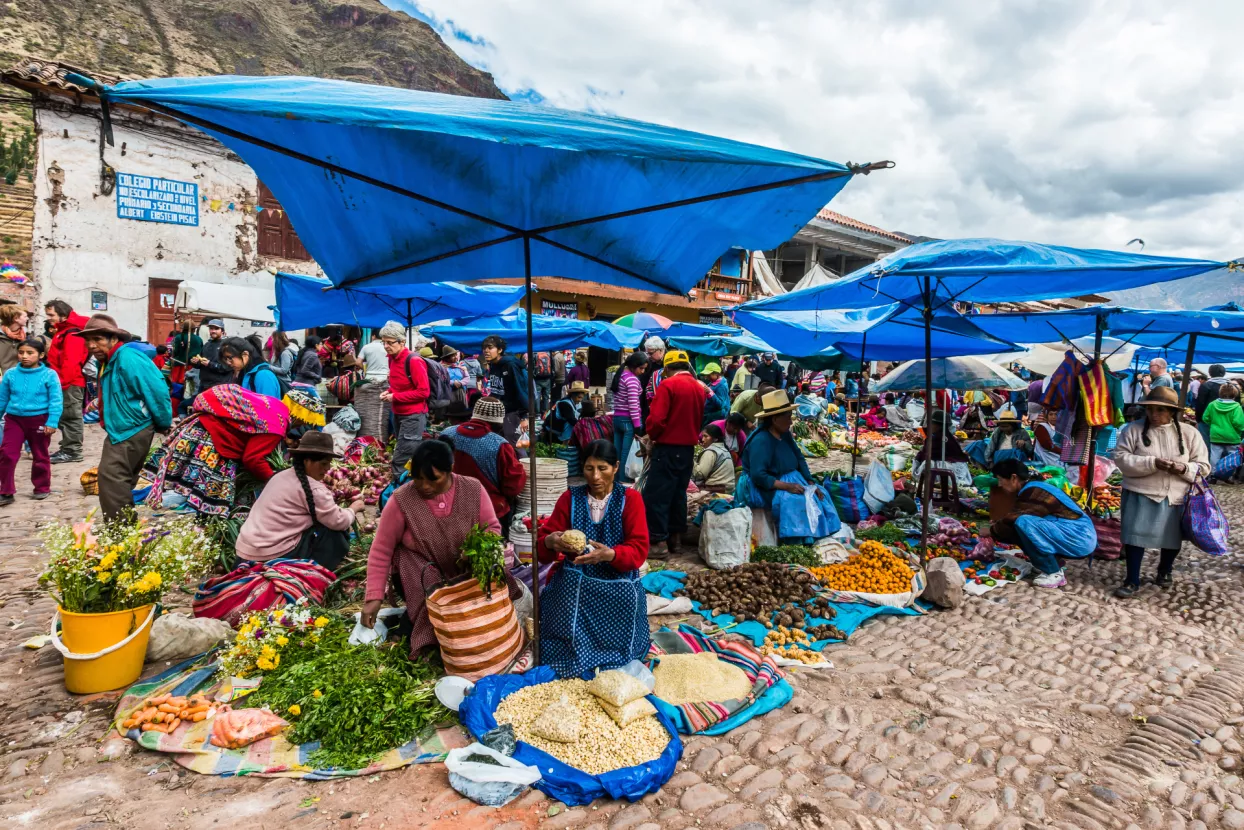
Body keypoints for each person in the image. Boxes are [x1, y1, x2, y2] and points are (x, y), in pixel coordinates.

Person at [360, 438, 523, 658]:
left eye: (433, 479)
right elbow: (381, 550)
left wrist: (477, 551)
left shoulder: (473, 489)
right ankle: (427, 638)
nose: (424, 486)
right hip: (422, 573)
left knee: (484, 594)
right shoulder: (402, 500)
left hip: (464, 569)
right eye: (418, 479)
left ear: (450, 470)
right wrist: (374, 598)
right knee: (421, 576)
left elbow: (492, 528)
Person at [537, 439, 650, 678]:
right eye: (589, 469)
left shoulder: (630, 500)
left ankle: (615, 659)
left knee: (626, 603)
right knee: (558, 604)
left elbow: (639, 549)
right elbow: (545, 541)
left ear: (616, 467)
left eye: (603, 468)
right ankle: (570, 654)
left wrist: (611, 554)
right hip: (576, 579)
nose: (595, 476)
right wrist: (551, 541)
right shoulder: (571, 498)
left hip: (617, 580)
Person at [1113, 386, 1210, 598]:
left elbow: (1203, 466)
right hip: (1141, 492)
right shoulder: (1132, 430)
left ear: (1172, 412)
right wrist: (1152, 462)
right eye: (1150, 410)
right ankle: (1132, 580)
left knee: (1172, 538)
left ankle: (1165, 570)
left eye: (1160, 410)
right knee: (1134, 537)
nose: (1154, 415)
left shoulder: (1189, 433)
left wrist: (1183, 468)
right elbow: (1121, 458)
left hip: (1176, 494)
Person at [77, 315, 172, 520]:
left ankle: (120, 535)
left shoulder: (128, 357)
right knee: (121, 481)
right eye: (88, 341)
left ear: (113, 339)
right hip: (123, 428)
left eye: (98, 339)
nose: (92, 345)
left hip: (131, 427)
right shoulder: (110, 359)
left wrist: (164, 422)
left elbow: (156, 389)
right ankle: (126, 536)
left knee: (111, 478)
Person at [145, 384, 290, 514]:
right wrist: (274, 480)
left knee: (193, 493)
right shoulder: (277, 427)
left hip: (200, 427)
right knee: (208, 499)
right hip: (212, 438)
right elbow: (252, 459)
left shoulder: (277, 408)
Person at [235, 431, 363, 569]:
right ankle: (313, 571)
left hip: (244, 553)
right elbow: (339, 521)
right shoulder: (314, 490)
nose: (327, 469)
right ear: (307, 461)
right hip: (268, 556)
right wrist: (354, 508)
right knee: (335, 533)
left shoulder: (280, 476)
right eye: (324, 463)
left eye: (329, 464)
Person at [985, 458, 1096, 589]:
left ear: (1013, 478)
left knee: (1022, 522)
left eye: (1001, 480)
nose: (999, 485)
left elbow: (1015, 519)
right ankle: (1054, 564)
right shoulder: (1032, 488)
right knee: (1019, 524)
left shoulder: (1035, 492)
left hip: (1079, 538)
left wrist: (991, 531)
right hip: (1074, 533)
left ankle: (1052, 572)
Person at [642, 350, 704, 557]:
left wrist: (652, 435)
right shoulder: (699, 387)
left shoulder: (668, 385)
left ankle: (658, 541)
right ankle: (675, 539)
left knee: (657, 495)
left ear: (667, 369)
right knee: (678, 493)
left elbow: (657, 420)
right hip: (687, 449)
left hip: (668, 448)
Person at [440, 396, 527, 537]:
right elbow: (512, 485)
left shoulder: (446, 434)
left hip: (447, 507)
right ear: (498, 423)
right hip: (489, 512)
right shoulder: (499, 444)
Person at [0, 338, 61, 504]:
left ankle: (42, 487)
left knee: (40, 454)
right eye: (21, 353)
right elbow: (2, 399)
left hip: (39, 419)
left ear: (41, 355)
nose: (24, 356)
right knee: (7, 454)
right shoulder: (10, 374)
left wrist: (52, 422)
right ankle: (6, 490)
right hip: (14, 420)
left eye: (30, 353)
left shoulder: (49, 375)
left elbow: (56, 400)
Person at [740, 390, 814, 511]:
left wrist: (810, 482)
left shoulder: (784, 434)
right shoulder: (761, 440)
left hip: (787, 481)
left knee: (820, 497)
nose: (791, 422)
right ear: (775, 419)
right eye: (788, 418)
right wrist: (787, 486)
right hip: (764, 488)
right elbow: (758, 475)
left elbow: (798, 456)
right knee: (798, 504)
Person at [379, 321, 430, 476]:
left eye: (390, 342)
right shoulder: (391, 359)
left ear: (402, 342)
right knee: (405, 451)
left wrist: (395, 397)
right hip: (398, 413)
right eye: (384, 342)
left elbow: (423, 392)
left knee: (401, 458)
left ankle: (400, 494)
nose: (386, 346)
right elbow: (398, 385)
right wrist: (388, 392)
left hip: (413, 416)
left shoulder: (414, 361)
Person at [44, 300, 88, 464]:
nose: (49, 318)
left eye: (51, 315)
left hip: (69, 382)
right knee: (66, 416)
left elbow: (71, 361)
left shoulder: (71, 334)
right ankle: (68, 449)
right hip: (66, 381)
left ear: (63, 314)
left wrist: (61, 384)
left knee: (70, 417)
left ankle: (72, 451)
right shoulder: (65, 331)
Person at [481, 335, 529, 442]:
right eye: (484, 348)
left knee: (514, 444)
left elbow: (521, 390)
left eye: (490, 347)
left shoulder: (511, 365)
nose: (486, 351)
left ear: (500, 350)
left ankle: (520, 460)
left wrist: (524, 417)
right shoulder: (493, 365)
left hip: (512, 413)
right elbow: (494, 390)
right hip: (497, 413)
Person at [611, 351, 648, 481]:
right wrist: (637, 426)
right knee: (626, 454)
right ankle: (623, 482)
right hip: (629, 421)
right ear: (634, 365)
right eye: (641, 368)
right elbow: (633, 404)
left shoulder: (620, 375)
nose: (642, 371)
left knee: (618, 453)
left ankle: (615, 480)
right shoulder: (631, 379)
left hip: (617, 419)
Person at [914, 409, 973, 487]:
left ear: (938, 426)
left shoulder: (939, 438)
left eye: (932, 423)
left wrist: (918, 457)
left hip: (947, 468)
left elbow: (929, 455)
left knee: (927, 464)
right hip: (953, 467)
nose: (930, 425)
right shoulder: (948, 436)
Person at [1200, 382, 1244, 470]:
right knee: (1232, 458)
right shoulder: (1236, 407)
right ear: (1234, 394)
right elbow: (1238, 423)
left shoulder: (1212, 404)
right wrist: (1239, 431)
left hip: (1216, 435)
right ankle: (1229, 475)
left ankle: (1213, 475)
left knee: (1214, 456)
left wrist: (1213, 424)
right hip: (1232, 436)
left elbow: (1205, 418)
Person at [355, 330, 390, 439]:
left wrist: (365, 370)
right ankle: (382, 439)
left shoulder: (367, 347)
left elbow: (358, 362)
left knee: (366, 410)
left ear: (373, 336)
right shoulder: (387, 347)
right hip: (386, 379)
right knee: (384, 412)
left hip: (369, 379)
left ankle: (365, 437)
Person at [168, 320, 203, 413]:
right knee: (191, 390)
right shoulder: (199, 339)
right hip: (194, 368)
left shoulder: (178, 338)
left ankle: (175, 412)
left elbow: (175, 352)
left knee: (176, 390)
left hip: (179, 367)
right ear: (193, 329)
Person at [191, 319, 233, 396]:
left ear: (222, 331)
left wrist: (210, 364)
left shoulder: (227, 346)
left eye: (216, 329)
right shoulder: (207, 345)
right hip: (204, 385)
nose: (213, 331)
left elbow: (228, 367)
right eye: (211, 328)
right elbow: (201, 364)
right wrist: (196, 363)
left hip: (219, 386)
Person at [1194, 364, 1231, 446]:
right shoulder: (1231, 386)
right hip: (1227, 421)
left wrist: (1198, 419)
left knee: (1206, 444)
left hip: (1207, 420)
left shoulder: (1206, 386)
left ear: (1210, 373)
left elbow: (1200, 403)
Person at [693, 424, 736, 493]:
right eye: (703, 436)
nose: (703, 439)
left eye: (706, 436)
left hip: (716, 489)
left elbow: (700, 474)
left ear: (715, 439)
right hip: (729, 488)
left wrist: (691, 460)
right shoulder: (724, 450)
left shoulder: (711, 452)